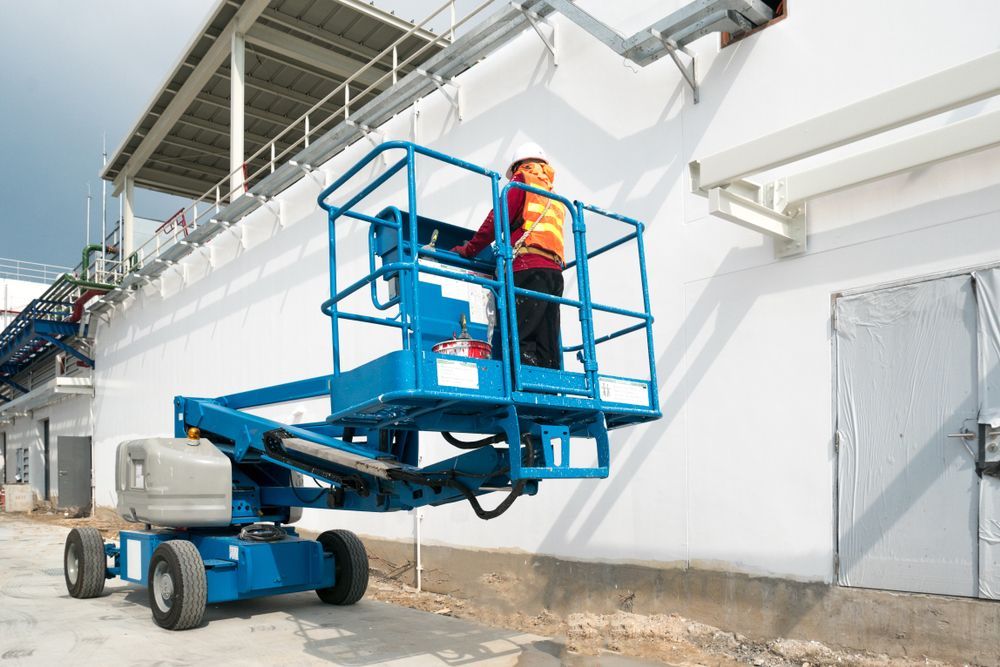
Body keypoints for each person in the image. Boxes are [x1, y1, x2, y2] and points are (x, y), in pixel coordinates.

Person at [451, 142, 566, 369]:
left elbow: (497, 219)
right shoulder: (554, 198)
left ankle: (522, 384)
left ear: (518, 167)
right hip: (554, 275)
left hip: (528, 269)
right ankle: (549, 390)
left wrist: (470, 249)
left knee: (521, 334)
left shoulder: (522, 182)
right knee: (547, 340)